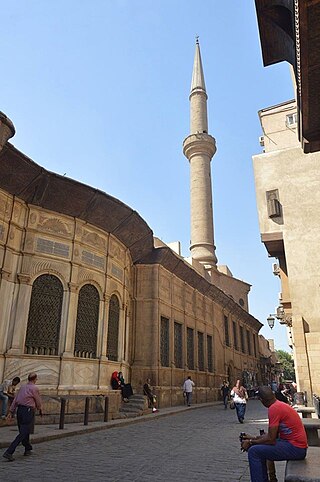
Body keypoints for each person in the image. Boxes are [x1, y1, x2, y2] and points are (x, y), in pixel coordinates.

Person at [241, 386, 307, 482]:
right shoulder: (279, 405)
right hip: (294, 444)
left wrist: (251, 442)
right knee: (258, 449)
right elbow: (271, 436)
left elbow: (271, 439)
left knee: (254, 452)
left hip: (296, 448)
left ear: (261, 400)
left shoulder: (274, 409)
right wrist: (253, 438)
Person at [3, 372, 43, 462]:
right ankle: (9, 452)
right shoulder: (34, 388)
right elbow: (38, 400)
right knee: (23, 432)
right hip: (28, 411)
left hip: (19, 410)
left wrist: (11, 411)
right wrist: (40, 409)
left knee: (24, 430)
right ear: (34, 379)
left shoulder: (22, 387)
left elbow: (16, 400)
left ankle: (27, 448)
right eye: (36, 379)